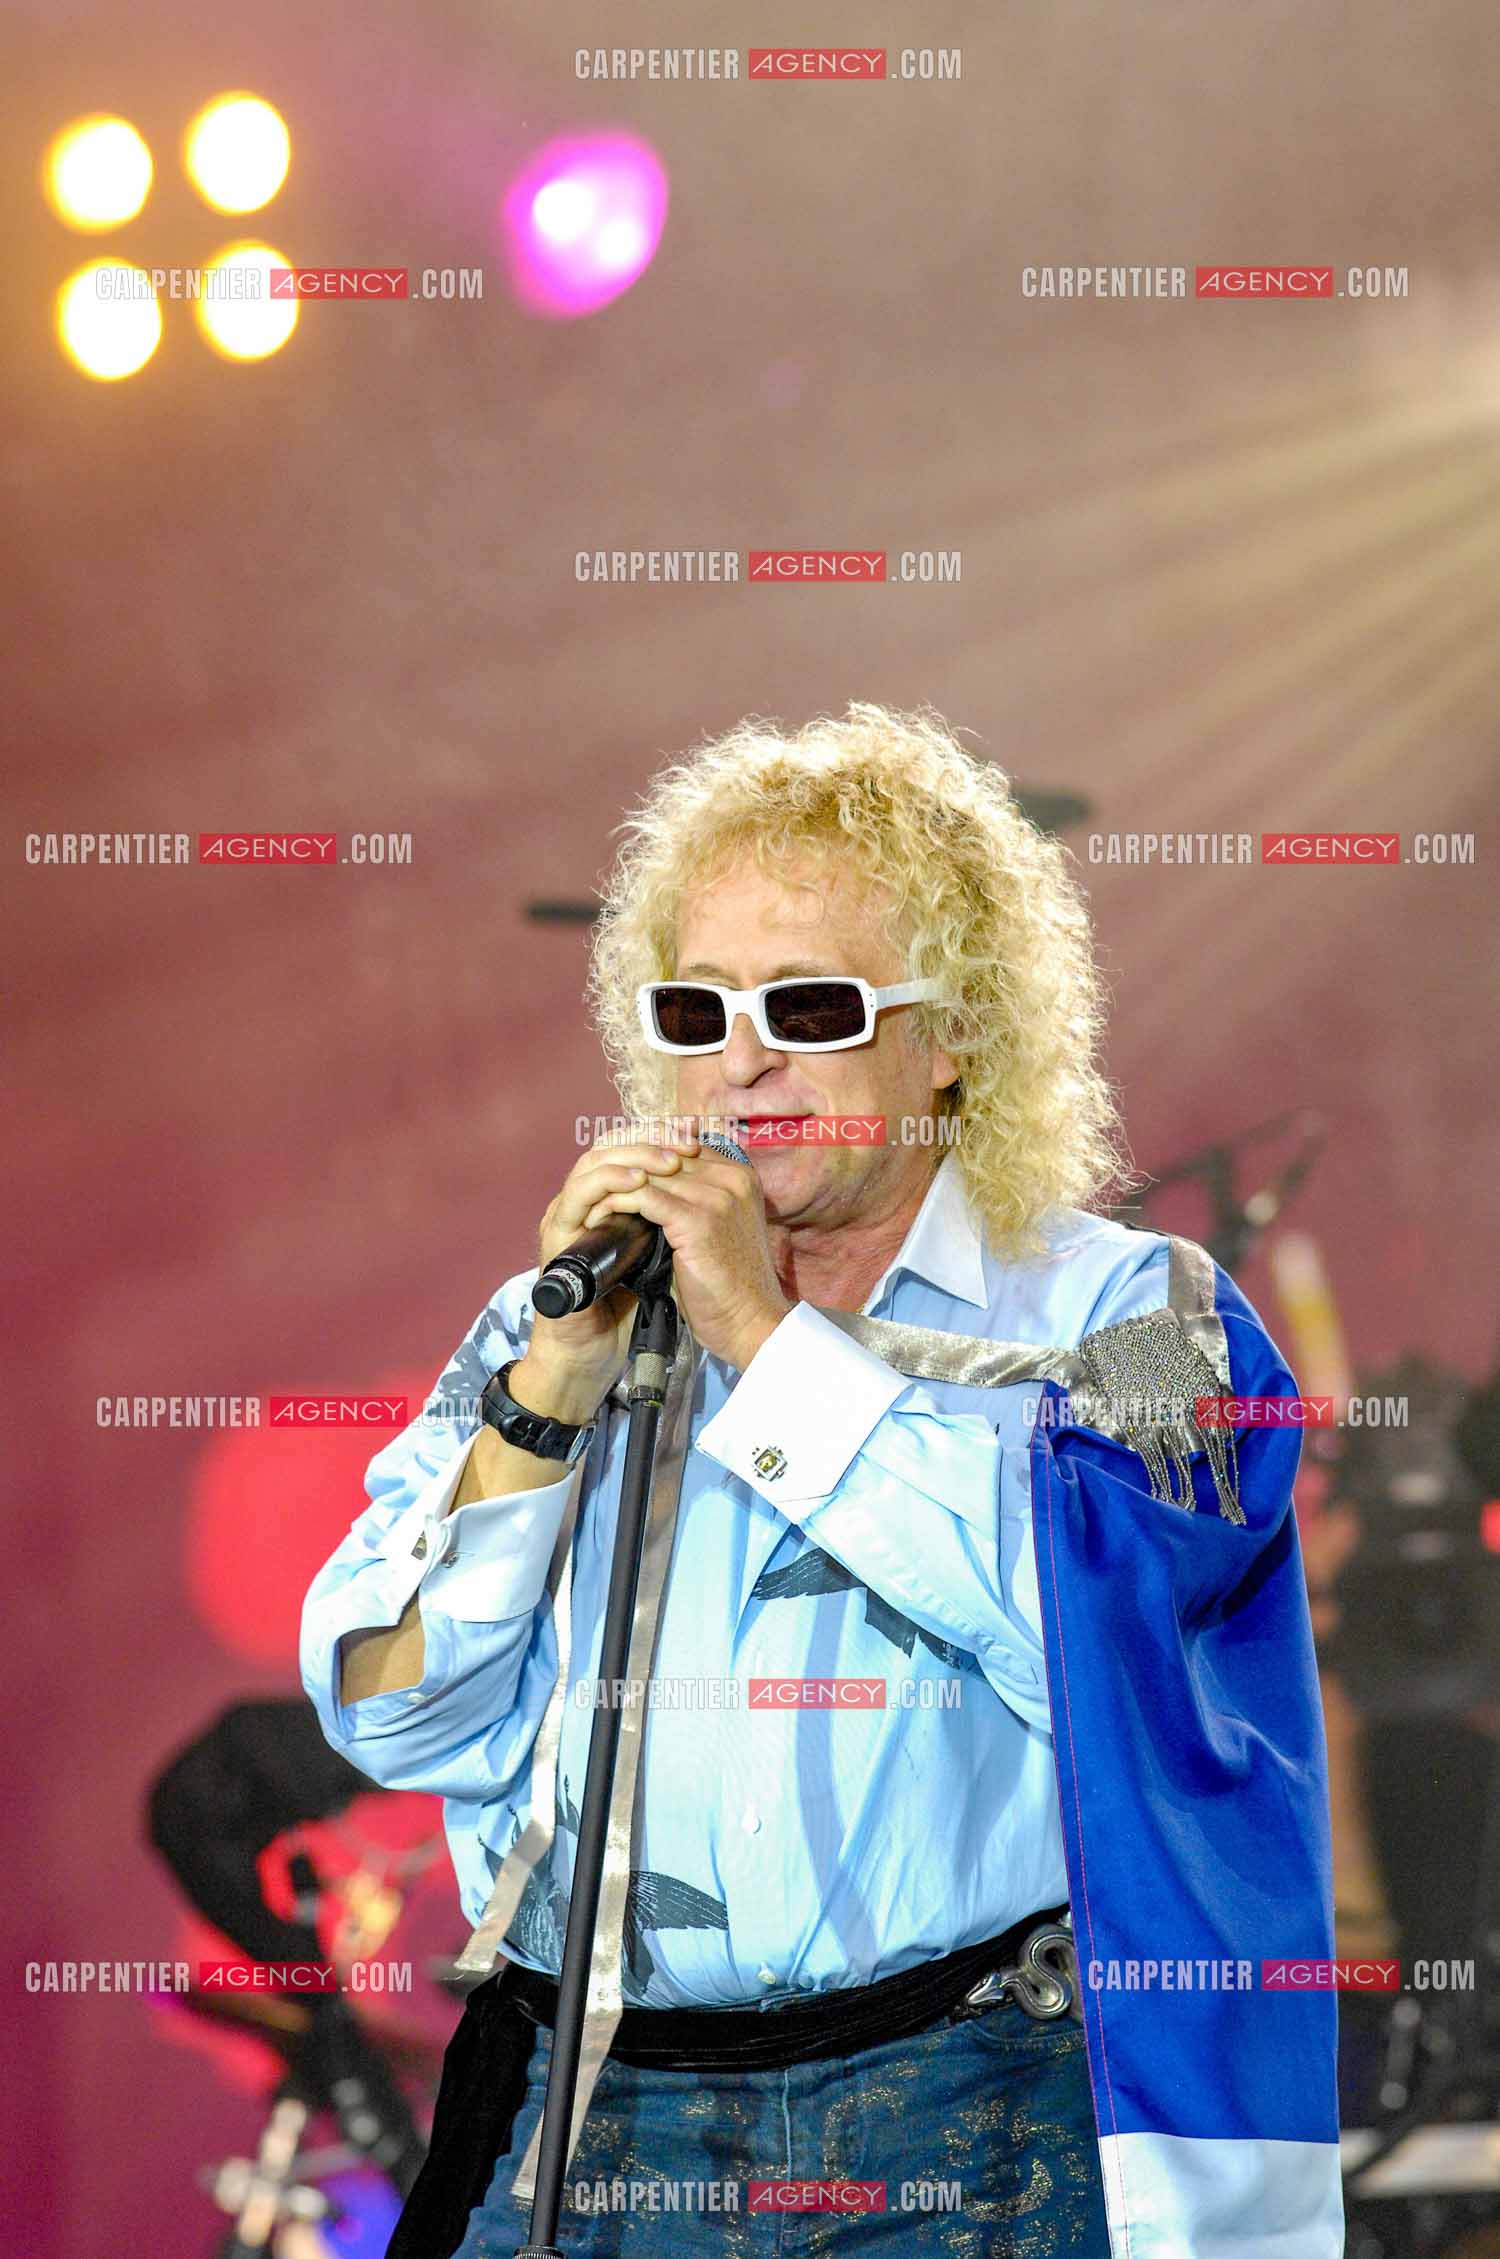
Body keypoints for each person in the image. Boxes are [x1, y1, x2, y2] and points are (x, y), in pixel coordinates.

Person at [300, 703, 1342, 2257]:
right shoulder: (558, 1328)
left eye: (812, 1002)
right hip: (605, 2120)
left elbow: (1102, 1651)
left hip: (982, 2106)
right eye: (696, 1007)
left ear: (957, 1035)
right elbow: (395, 1713)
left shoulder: (1145, 1317)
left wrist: (761, 1335)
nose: (745, 1059)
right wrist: (549, 1398)